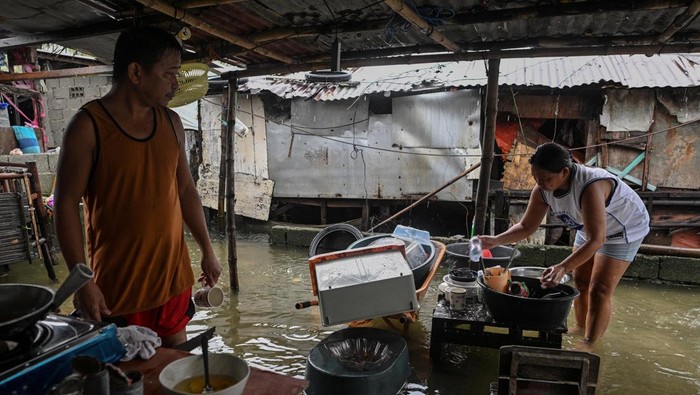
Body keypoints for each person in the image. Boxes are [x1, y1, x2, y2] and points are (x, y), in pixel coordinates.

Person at [54, 26, 221, 347]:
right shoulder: (88, 127)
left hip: (173, 281)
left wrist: (207, 251)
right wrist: (82, 283)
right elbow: (64, 205)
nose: (176, 84)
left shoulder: (172, 124)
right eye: (170, 74)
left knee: (175, 368)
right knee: (129, 375)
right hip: (118, 290)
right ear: (135, 72)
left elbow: (186, 191)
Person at [479, 142, 649, 345]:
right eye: (536, 178)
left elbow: (597, 239)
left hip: (624, 229)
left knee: (600, 289)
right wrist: (495, 240)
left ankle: (589, 344)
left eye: (546, 179)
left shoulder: (590, 186)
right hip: (588, 227)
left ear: (565, 172)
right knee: (581, 283)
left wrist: (563, 266)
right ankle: (581, 328)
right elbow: (526, 226)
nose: (539, 183)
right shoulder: (542, 189)